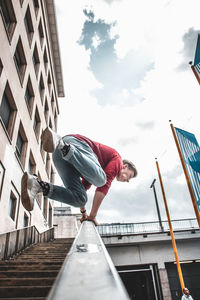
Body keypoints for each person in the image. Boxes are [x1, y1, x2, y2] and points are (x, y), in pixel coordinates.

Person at [21, 127, 138, 225]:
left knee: (80, 198)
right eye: (129, 176)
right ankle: (61, 144)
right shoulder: (117, 160)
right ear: (125, 166)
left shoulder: (94, 171)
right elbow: (103, 186)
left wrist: (84, 213)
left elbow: (82, 188)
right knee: (101, 181)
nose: (127, 180)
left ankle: (37, 185)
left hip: (60, 156)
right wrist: (93, 216)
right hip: (75, 143)